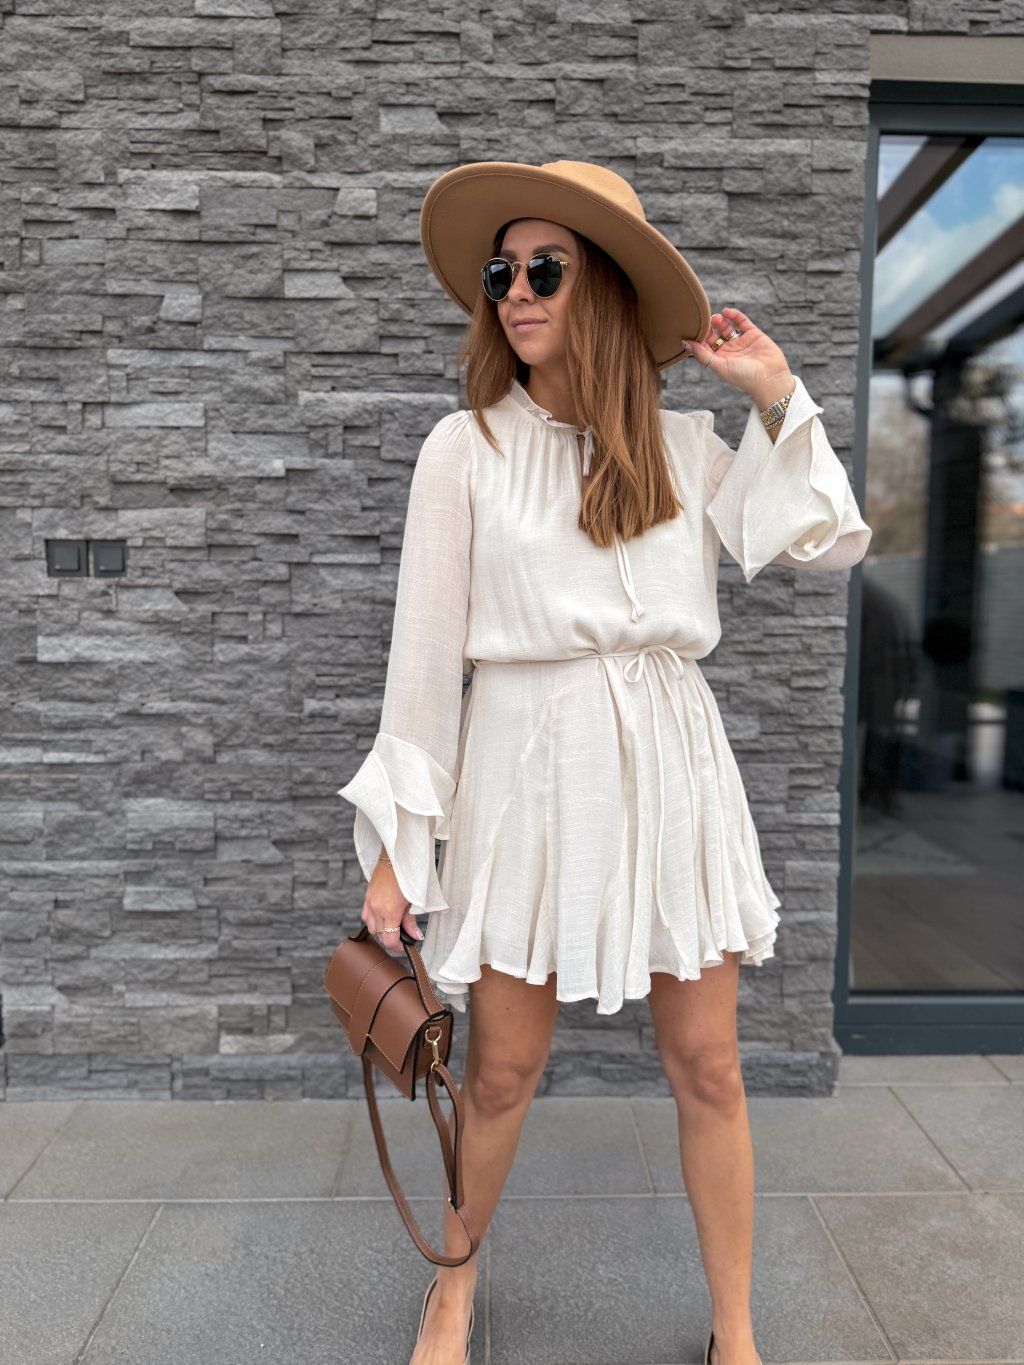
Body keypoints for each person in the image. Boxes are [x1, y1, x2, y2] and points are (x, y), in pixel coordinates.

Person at [338, 160, 872, 1365]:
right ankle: (453, 1290)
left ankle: (735, 1330)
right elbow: (422, 664)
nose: (517, 293)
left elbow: (826, 540)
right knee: (500, 1072)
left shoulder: (686, 448)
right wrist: (398, 853)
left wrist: (775, 395)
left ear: (612, 291)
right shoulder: (465, 448)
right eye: (502, 273)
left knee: (711, 1066)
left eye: (547, 269)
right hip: (524, 772)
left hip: (673, 773)